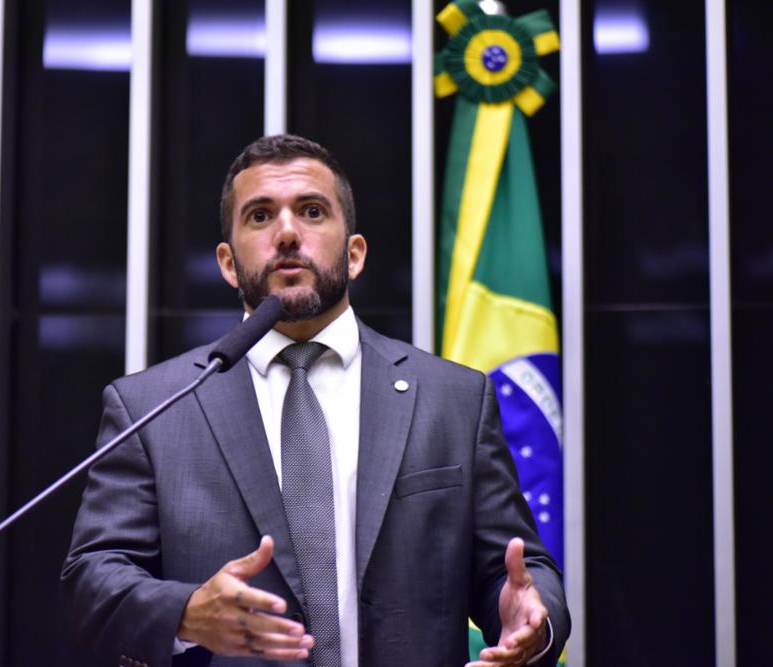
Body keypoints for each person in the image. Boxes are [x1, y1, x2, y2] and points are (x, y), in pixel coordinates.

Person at [62, 134, 569, 667]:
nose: (286, 233)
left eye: (311, 211)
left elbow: (517, 569)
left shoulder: (454, 399)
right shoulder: (153, 409)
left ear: (354, 255)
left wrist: (531, 618)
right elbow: (91, 579)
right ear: (228, 263)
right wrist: (186, 611)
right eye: (260, 216)